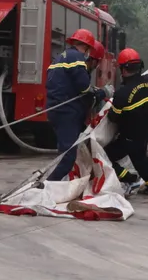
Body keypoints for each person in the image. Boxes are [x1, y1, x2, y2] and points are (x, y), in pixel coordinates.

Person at [105, 48, 148, 195]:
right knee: (139, 157)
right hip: (147, 131)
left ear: (123, 70)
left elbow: (112, 118)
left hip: (130, 137)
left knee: (104, 157)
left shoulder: (122, 94)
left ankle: (130, 179)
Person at [44, 28, 105, 182]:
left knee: (64, 152)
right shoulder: (77, 58)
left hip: (55, 110)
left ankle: (57, 184)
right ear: (87, 47)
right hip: (67, 112)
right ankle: (46, 187)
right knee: (68, 158)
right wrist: (101, 93)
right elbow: (84, 88)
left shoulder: (59, 58)